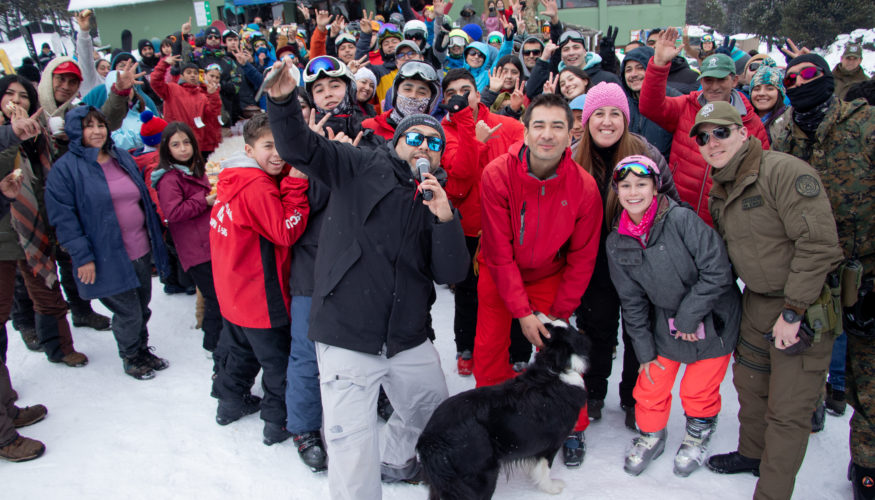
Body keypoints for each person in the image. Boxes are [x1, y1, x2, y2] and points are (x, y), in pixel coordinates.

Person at [265, 57, 469, 499]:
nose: (423, 147)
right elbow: (301, 148)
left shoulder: (436, 197)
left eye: (433, 142)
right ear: (397, 142)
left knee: (434, 417)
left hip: (407, 338)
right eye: (413, 137)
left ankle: (397, 458)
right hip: (346, 335)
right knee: (352, 448)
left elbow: (453, 273)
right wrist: (282, 102)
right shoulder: (357, 164)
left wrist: (445, 218)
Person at [694, 102, 844, 500]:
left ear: (743, 133)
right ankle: (751, 454)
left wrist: (794, 310)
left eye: (721, 132)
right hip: (758, 302)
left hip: (802, 303)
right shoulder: (721, 188)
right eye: (703, 137)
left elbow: (818, 246)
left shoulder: (784, 172)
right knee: (750, 385)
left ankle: (772, 493)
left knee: (787, 408)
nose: (712, 143)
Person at [768, 53, 875, 497]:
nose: (798, 83)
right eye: (790, 78)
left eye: (808, 76)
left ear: (828, 80)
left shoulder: (865, 125)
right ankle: (811, 407)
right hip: (809, 273)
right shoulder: (783, 131)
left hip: (865, 270)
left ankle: (867, 465)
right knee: (803, 359)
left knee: (868, 379)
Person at [475, 93, 601, 467]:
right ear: (526, 132)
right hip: (501, 271)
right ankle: (491, 424)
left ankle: (572, 426)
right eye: (539, 126)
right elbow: (499, 251)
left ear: (571, 133)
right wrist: (522, 313)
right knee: (490, 350)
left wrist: (557, 315)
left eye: (557, 126)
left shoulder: (584, 187)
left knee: (558, 351)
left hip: (549, 272)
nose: (548, 135)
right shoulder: (497, 174)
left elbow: (582, 257)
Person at [605, 154, 740, 477]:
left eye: (641, 184)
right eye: (625, 186)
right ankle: (651, 433)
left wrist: (688, 318)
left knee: (698, 388)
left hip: (713, 317)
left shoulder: (681, 220)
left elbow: (718, 271)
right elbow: (632, 300)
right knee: (651, 382)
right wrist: (645, 350)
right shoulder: (617, 241)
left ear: (655, 187)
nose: (633, 192)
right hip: (667, 321)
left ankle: (698, 432)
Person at [572, 81, 681, 427]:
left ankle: (635, 396)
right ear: (587, 119)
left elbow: (672, 203)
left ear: (626, 118)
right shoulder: (574, 155)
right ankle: (593, 392)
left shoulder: (646, 153)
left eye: (615, 113)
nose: (607, 121)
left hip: (641, 261)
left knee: (640, 332)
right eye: (599, 114)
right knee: (597, 330)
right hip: (594, 263)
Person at [45, 106, 172, 380]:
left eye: (100, 125)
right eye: (88, 126)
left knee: (142, 305)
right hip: (105, 255)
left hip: (139, 247)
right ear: (76, 130)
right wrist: (83, 257)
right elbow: (64, 220)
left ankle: (141, 348)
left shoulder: (121, 157)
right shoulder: (65, 170)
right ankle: (131, 356)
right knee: (127, 311)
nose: (96, 131)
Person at [209, 113, 310, 445]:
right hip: (259, 298)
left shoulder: (233, 178)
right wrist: (295, 185)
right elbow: (285, 231)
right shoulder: (257, 187)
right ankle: (276, 422)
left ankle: (230, 402)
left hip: (233, 293)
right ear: (250, 149)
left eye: (282, 144)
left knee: (240, 351)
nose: (277, 153)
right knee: (278, 362)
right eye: (269, 145)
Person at [439, 68, 525, 376]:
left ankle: (517, 351)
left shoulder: (509, 125)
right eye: (451, 93)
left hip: (507, 228)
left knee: (513, 291)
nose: (460, 98)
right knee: (468, 293)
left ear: (478, 93)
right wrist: (473, 139)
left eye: (466, 90)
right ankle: (466, 347)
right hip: (468, 229)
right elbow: (459, 180)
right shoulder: (442, 133)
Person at [639, 27, 770, 226]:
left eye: (721, 80)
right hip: (682, 212)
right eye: (708, 80)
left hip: (727, 219)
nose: (714, 86)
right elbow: (650, 107)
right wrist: (659, 64)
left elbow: (763, 175)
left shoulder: (751, 122)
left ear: (734, 80)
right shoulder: (686, 106)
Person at [0, 76, 88, 367]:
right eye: (10, 94)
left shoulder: (38, 133)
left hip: (40, 219)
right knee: (16, 298)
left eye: (23, 96)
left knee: (46, 285)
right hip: (9, 229)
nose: (17, 101)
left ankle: (59, 346)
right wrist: (12, 135)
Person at [152, 123, 221, 359]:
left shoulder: (193, 170)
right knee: (215, 297)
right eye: (175, 144)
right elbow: (173, 212)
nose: (183, 149)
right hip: (196, 249)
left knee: (217, 295)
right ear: (166, 148)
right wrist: (205, 201)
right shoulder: (169, 178)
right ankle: (212, 344)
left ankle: (218, 340)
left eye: (186, 142)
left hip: (209, 243)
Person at [149, 54, 222, 159]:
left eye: (195, 73)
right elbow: (155, 82)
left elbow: (212, 114)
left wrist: (213, 95)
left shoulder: (202, 96)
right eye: (188, 72)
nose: (192, 75)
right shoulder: (171, 89)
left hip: (196, 144)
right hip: (175, 141)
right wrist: (164, 64)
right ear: (182, 76)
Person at [620, 46, 682, 161]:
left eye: (640, 68)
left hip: (664, 174)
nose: (633, 74)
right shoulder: (622, 105)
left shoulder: (674, 100)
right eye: (628, 70)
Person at [362, 60, 441, 140]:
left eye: (421, 92)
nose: (413, 96)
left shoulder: (434, 138)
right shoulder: (369, 127)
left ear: (431, 100)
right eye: (407, 89)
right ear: (396, 93)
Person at [748, 64, 788, 142]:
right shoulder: (743, 120)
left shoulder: (788, 122)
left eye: (769, 89)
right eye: (756, 89)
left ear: (780, 93)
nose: (762, 93)